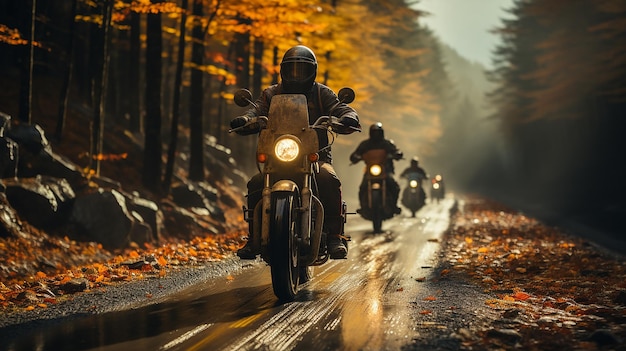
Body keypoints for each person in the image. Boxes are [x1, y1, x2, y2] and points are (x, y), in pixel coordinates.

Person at [230, 45, 361, 260]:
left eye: (302, 70)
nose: (296, 75)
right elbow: (257, 110)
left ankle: (335, 236)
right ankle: (254, 238)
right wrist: (246, 119)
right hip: (277, 157)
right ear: (283, 70)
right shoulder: (271, 93)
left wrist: (348, 116)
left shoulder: (322, 93)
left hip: (315, 157)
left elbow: (340, 108)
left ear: (313, 71)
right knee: (255, 183)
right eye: (292, 70)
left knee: (328, 179)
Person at [349, 122, 403, 214]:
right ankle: (363, 206)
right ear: (370, 133)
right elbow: (355, 153)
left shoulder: (387, 143)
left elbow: (396, 150)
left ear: (382, 133)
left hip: (386, 170)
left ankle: (394, 206)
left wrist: (397, 154)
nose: (376, 134)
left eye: (378, 132)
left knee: (394, 186)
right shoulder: (365, 144)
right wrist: (356, 157)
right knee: (362, 187)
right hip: (370, 171)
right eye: (374, 132)